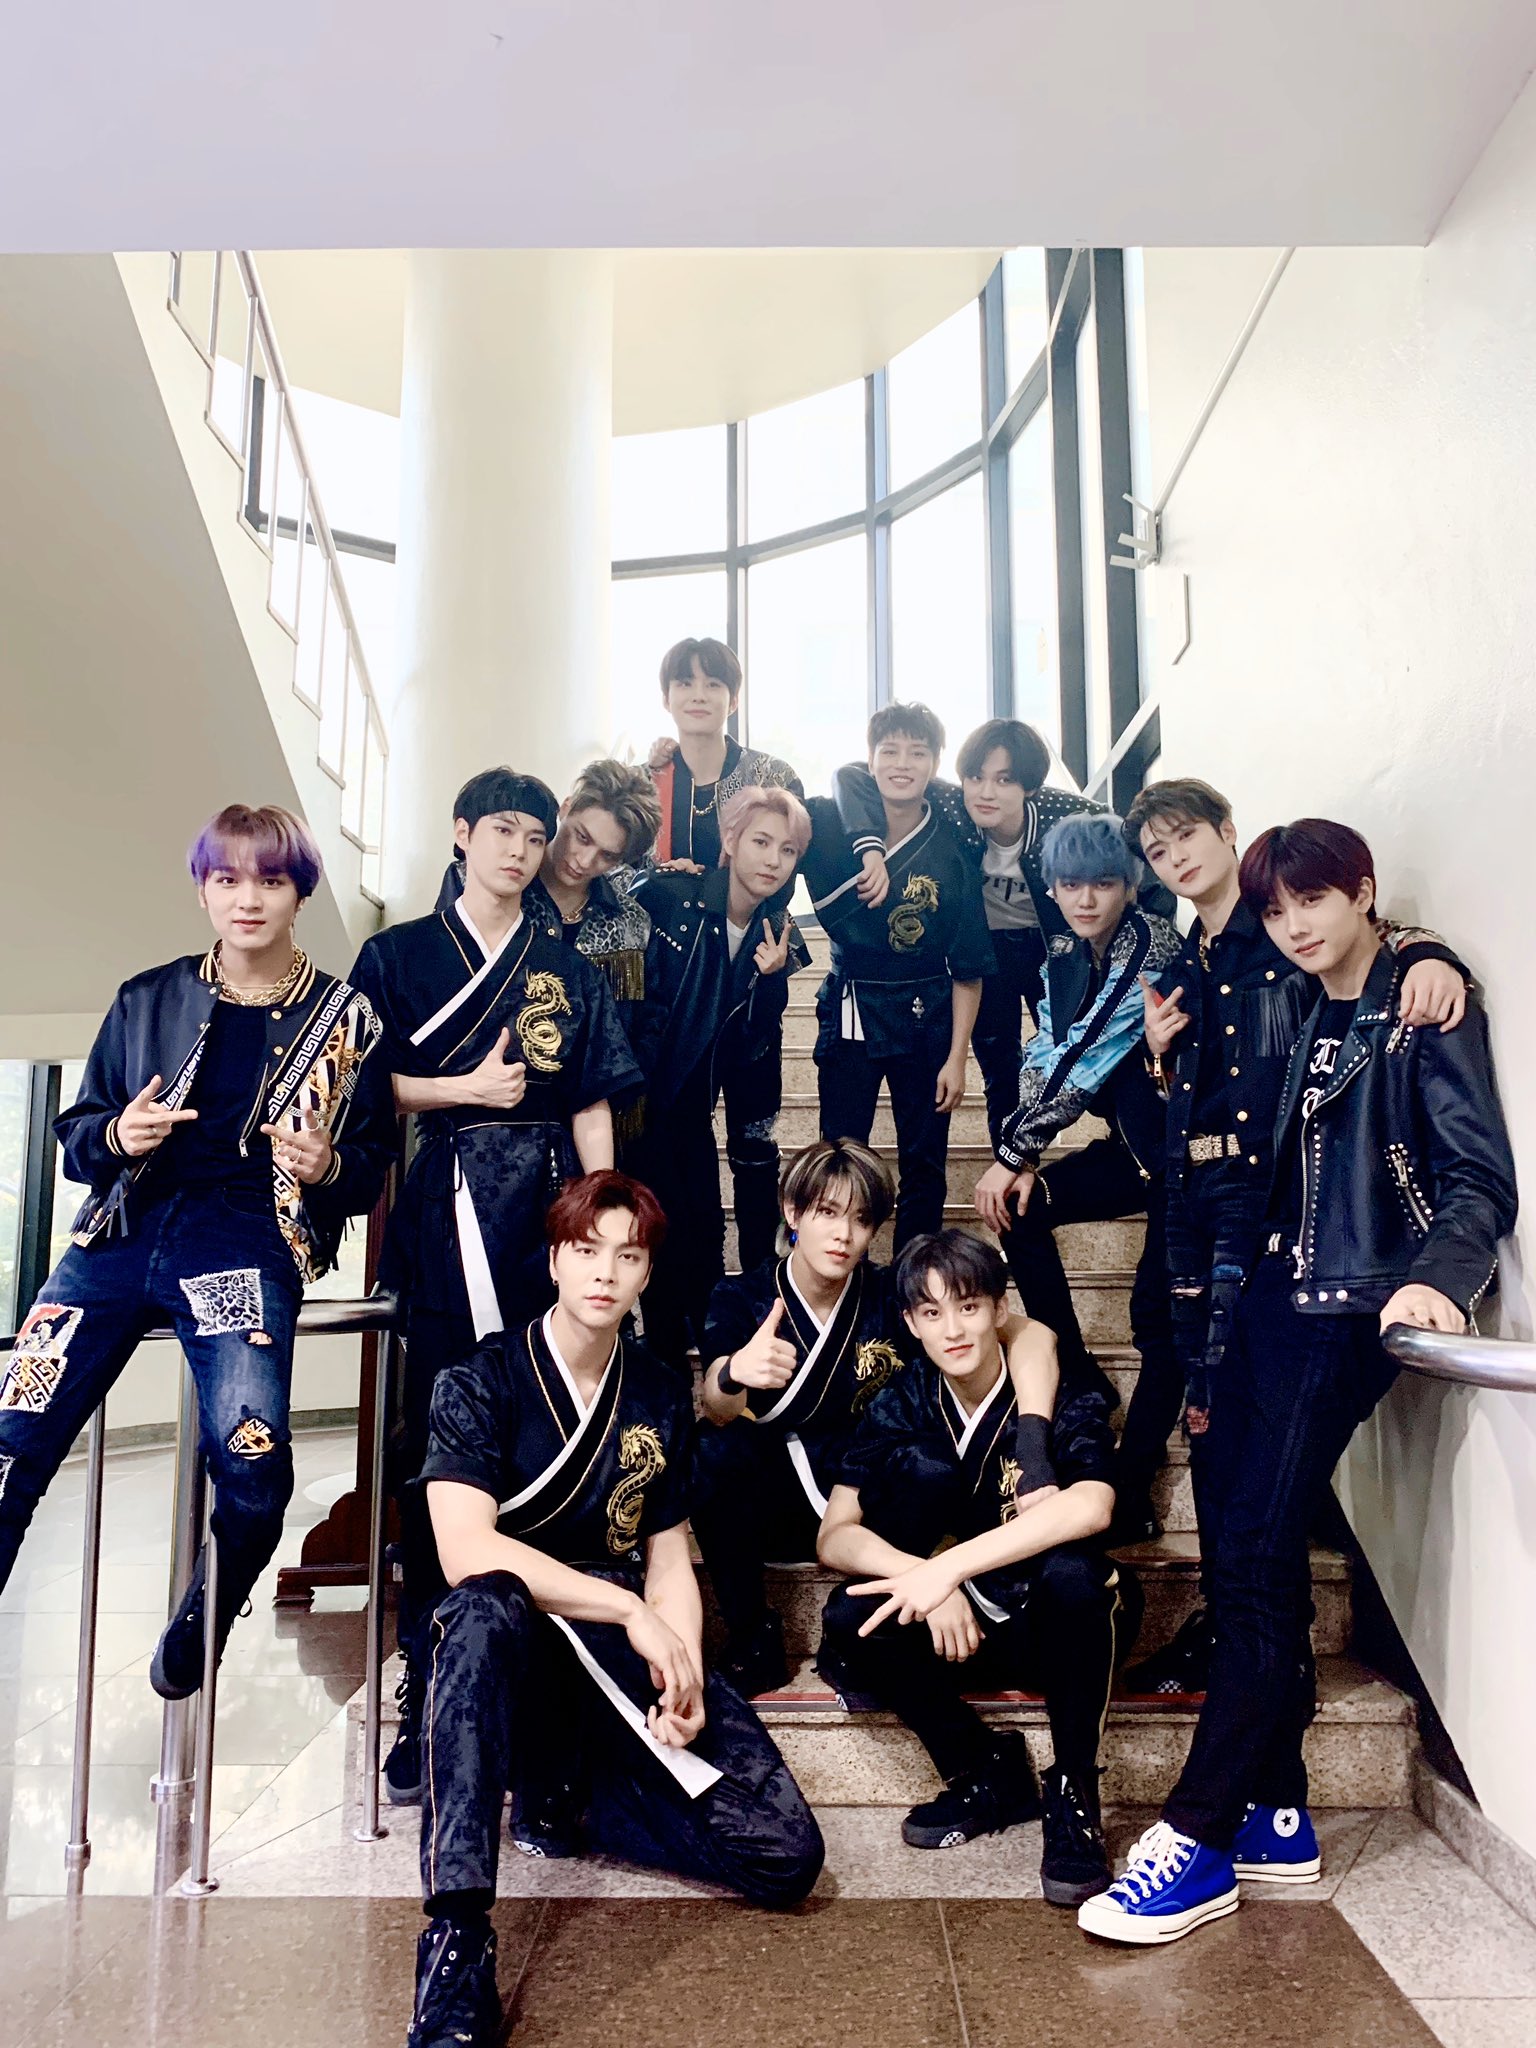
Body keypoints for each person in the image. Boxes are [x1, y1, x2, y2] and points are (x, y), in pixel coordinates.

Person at [1079, 819, 1515, 1947]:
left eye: (1314, 901)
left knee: (1258, 1560)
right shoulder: (1298, 1000)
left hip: (1346, 1309)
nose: (1294, 926)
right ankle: (1277, 1814)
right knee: (1242, 1557)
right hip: (1260, 1302)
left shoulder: (1415, 1006)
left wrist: (1437, 1279)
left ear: (1363, 892)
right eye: (1276, 911)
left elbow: (1477, 1177)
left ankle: (1199, 1836)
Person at [405, 1172, 824, 2047]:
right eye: (586, 1250)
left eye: (627, 1257)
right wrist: (630, 1613)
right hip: (516, 1637)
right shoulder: (480, 1379)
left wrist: (684, 1667)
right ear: (554, 1260)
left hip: (608, 1647)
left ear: (645, 1274)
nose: (604, 1272)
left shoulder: (658, 1391)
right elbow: (465, 1550)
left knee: (784, 1855)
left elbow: (667, 1555)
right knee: (479, 1609)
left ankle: (572, 1791)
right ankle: (457, 1936)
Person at [0, 805, 393, 1697]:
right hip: (118, 1237)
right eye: (227, 879)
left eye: (270, 880)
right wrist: (119, 1134)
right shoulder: (147, 998)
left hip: (239, 1241)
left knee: (253, 1464)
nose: (248, 899)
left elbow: (370, 1167)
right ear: (204, 891)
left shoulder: (346, 1017)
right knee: (9, 1443)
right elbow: (77, 1137)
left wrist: (328, 1164)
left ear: (300, 893)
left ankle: (209, 1611)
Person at [1118, 779, 1470, 1696]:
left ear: (1226, 832)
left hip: (1270, 1210)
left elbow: (1368, 957)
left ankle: (1257, 1644)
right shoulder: (1184, 955)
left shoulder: (1283, 939)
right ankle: (1235, 1628)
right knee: (1202, 1407)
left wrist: (1428, 950)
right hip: (1195, 1196)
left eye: (1187, 836)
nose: (1176, 858)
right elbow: (1201, 1088)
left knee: (1252, 1460)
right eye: (1157, 851)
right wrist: (1158, 1057)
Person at [348, 767, 643, 1805]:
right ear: (463, 833)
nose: (520, 850)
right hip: (446, 1211)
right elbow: (350, 1084)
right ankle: (427, 1684)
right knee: (443, 1447)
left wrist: (605, 1223)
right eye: (502, 830)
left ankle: (541, 1690)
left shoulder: (567, 965)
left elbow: (594, 1098)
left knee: (542, 1433)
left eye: (534, 834)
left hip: (547, 1218)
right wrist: (460, 1088)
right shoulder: (396, 955)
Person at [816, 1230, 1127, 1907]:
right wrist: (922, 1576)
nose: (952, 1329)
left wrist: (947, 1569)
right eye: (932, 1313)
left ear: (998, 1309)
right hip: (956, 1631)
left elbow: (1094, 1505)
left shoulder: (1059, 1384)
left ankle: (1074, 1793)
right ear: (911, 1323)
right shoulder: (903, 1397)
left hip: (1051, 1624)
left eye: (967, 1307)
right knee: (848, 1615)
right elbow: (835, 1535)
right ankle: (985, 1768)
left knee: (1076, 1576)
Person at [693, 1139, 1063, 1697]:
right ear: (792, 1213)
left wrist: (1033, 1443)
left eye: (861, 1219)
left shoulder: (893, 1294)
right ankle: (753, 1634)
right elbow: (716, 1409)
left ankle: (886, 1606)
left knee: (928, 1461)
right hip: (779, 1502)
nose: (843, 1235)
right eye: (827, 1213)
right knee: (708, 1450)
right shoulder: (742, 1295)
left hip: (872, 1502)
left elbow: (1034, 1335)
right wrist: (734, 1373)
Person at [973, 812, 1180, 1539]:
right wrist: (1023, 1158)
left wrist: (1011, 1151)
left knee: (1159, 1322)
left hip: (1185, 1164)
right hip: (1133, 1152)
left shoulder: (1150, 944)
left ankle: (1134, 1483)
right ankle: (1077, 1370)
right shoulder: (1065, 948)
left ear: (1130, 885)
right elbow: (1047, 1049)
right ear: (1053, 889)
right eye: (1070, 884)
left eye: (1103, 883)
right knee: (1021, 1211)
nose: (1086, 898)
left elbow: (1087, 1058)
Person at [833, 718, 1174, 1152]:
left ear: (1029, 786)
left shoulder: (1069, 816)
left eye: (1004, 780)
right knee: (999, 1064)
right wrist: (870, 847)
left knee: (1077, 1042)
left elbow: (1146, 874)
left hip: (1055, 948)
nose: (986, 792)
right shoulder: (952, 805)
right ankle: (1009, 1157)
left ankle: (1125, 1145)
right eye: (976, 777)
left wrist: (1133, 953)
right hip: (988, 948)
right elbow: (851, 776)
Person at [626, 785, 811, 1373]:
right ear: (729, 840)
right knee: (663, 1231)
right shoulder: (669, 897)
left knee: (704, 1233)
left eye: (787, 851)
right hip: (637, 1103)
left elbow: (753, 1047)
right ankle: (663, 1366)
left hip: (691, 1108)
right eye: (760, 842)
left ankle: (711, 1371)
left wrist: (772, 980)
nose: (772, 860)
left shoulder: (775, 930)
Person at [802, 703, 995, 1250]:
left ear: (935, 763)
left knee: (925, 1162)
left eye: (917, 752)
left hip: (927, 1016)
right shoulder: (832, 825)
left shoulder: (952, 849)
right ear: (871, 759)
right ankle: (837, 1275)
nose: (902, 764)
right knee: (840, 1155)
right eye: (889, 751)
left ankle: (916, 1280)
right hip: (853, 1007)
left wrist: (957, 1058)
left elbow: (969, 970)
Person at [436, 758, 665, 1139]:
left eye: (608, 856)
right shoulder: (481, 883)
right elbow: (443, 992)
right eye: (582, 837)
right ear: (566, 809)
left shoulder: (631, 921)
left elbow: (646, 1024)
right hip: (484, 1117)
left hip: (596, 1122)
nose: (585, 861)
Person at [645, 636, 802, 873]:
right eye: (685, 683)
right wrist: (662, 879)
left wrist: (706, 884)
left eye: (713, 685)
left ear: (734, 701)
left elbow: (784, 870)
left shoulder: (773, 778)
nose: (699, 696)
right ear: (666, 699)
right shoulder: (642, 786)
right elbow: (614, 871)